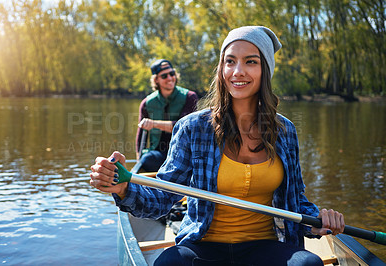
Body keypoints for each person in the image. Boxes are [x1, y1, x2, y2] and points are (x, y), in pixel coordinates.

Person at [90, 26, 345, 265]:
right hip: (204, 247)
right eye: (230, 61)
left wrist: (317, 220)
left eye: (250, 61)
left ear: (265, 69)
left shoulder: (285, 131)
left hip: (263, 246)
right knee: (169, 262)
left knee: (309, 263)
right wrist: (124, 188)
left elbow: (296, 200)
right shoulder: (193, 128)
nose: (238, 71)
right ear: (221, 69)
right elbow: (164, 196)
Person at [135, 59, 198, 172]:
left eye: (172, 74)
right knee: (146, 159)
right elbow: (141, 136)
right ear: (156, 80)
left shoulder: (190, 97)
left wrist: (154, 124)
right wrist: (138, 160)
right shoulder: (146, 103)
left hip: (183, 154)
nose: (169, 78)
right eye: (164, 76)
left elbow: (185, 128)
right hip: (158, 154)